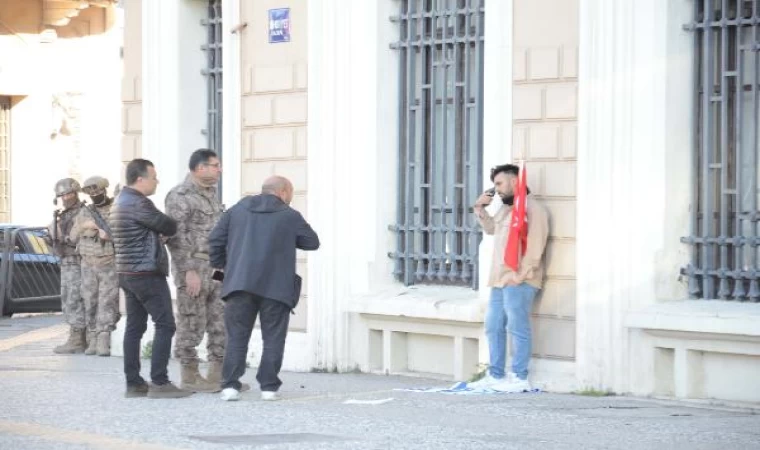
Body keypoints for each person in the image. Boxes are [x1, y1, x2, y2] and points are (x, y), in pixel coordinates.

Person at [209, 175, 319, 401]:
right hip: (276, 287)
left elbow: (215, 240)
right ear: (284, 192)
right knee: (273, 338)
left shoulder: (236, 211)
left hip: (239, 284)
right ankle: (268, 387)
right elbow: (312, 242)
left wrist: (222, 266)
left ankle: (230, 386)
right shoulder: (289, 216)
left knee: (237, 336)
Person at [110, 159, 192, 399]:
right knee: (165, 324)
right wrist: (161, 232)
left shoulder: (119, 201)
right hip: (146, 273)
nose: (157, 181)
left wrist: (155, 234)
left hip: (127, 273)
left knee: (134, 328)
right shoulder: (139, 203)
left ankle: (134, 384)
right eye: (154, 177)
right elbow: (169, 224)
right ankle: (160, 382)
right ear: (140, 179)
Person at [470, 163, 549, 392]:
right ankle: (495, 375)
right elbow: (492, 229)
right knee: (493, 325)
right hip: (499, 279)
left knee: (517, 326)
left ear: (515, 181)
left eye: (499, 184)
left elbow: (536, 244)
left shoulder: (533, 209)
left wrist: (522, 275)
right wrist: (480, 208)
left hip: (520, 279)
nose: (496, 189)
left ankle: (520, 377)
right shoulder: (506, 209)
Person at [165, 149, 229, 392]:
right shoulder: (179, 196)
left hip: (215, 267)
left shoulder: (211, 194)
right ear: (199, 168)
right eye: (215, 165)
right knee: (192, 320)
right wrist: (188, 271)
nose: (219, 169)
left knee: (219, 320)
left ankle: (217, 374)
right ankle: (190, 374)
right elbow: (176, 237)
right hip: (193, 266)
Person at [69, 176, 120, 356]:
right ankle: (92, 338)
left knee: (107, 301)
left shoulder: (115, 209)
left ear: (104, 190)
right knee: (90, 300)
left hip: (108, 262)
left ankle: (103, 338)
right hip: (88, 263)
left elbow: (122, 235)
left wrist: (107, 234)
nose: (95, 195)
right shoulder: (85, 212)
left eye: (98, 192)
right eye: (91, 193)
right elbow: (72, 237)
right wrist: (84, 226)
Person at [47, 178, 86, 354]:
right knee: (68, 297)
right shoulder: (64, 214)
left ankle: (78, 339)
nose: (65, 197)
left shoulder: (83, 212)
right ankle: (77, 336)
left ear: (76, 193)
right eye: (62, 195)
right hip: (67, 260)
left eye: (68, 193)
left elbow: (78, 238)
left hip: (78, 260)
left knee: (75, 298)